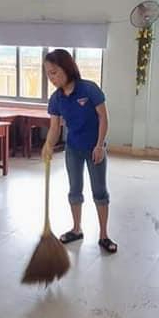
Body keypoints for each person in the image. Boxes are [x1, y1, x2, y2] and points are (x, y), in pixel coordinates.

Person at [40, 49, 118, 254]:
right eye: (48, 73)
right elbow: (55, 127)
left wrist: (100, 145)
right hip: (73, 149)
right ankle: (76, 229)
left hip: (94, 148)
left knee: (99, 191)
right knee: (75, 189)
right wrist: (48, 146)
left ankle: (103, 235)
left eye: (54, 72)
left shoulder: (89, 89)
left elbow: (103, 118)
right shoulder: (56, 99)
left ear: (67, 68)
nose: (51, 78)